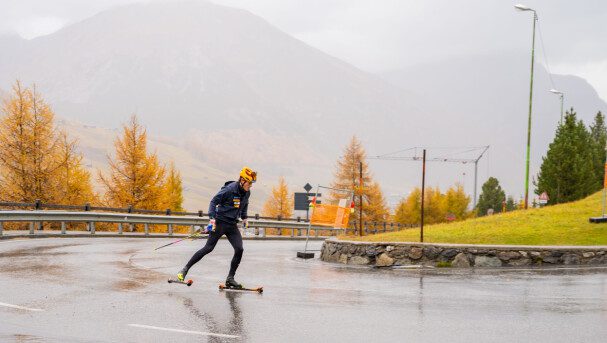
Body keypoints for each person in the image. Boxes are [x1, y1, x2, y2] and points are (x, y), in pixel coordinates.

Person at [177, 167, 256, 288]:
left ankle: (230, 279)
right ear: (242, 180)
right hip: (220, 222)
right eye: (249, 183)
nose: (250, 186)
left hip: (232, 225)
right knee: (208, 248)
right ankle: (184, 270)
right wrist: (212, 219)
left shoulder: (247, 193)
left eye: (251, 184)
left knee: (239, 249)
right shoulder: (229, 190)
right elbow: (213, 201)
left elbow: (244, 206)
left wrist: (245, 218)